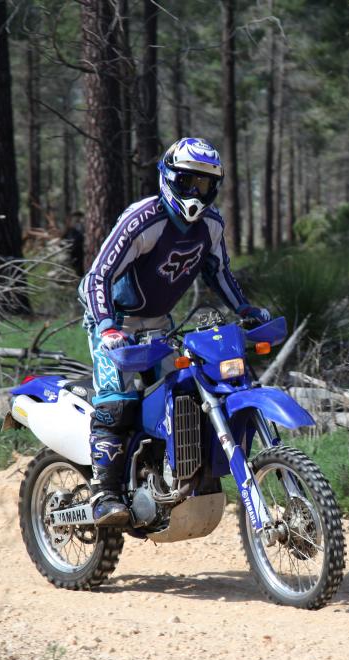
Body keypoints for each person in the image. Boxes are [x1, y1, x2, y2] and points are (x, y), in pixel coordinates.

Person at [78, 138, 270, 525]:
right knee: (118, 402)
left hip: (161, 326)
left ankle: (168, 477)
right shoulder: (143, 219)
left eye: (204, 185)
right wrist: (108, 327)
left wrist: (245, 309)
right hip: (116, 322)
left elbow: (219, 272)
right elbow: (95, 277)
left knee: (181, 394)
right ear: (168, 177)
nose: (196, 193)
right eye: (188, 182)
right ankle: (103, 494)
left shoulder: (211, 225)